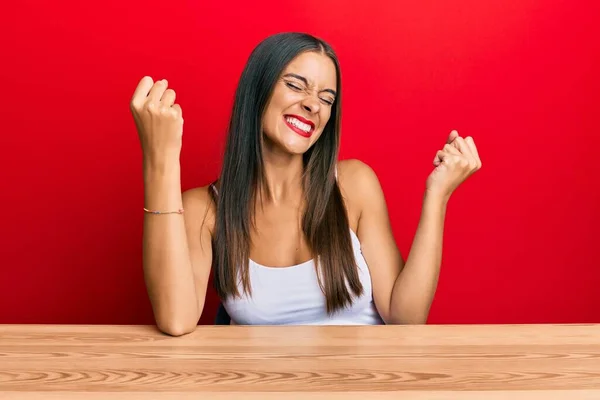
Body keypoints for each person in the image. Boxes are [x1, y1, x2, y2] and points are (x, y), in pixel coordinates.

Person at [129, 32, 482, 336]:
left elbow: (406, 318)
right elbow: (176, 320)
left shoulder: (354, 185)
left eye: (327, 98)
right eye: (296, 85)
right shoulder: (204, 209)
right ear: (258, 90)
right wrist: (160, 156)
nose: (313, 104)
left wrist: (438, 196)